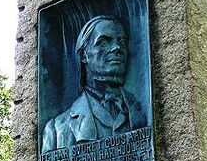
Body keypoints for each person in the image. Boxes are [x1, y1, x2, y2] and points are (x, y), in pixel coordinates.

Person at [41, 15, 147, 153]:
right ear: (84, 55)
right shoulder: (56, 130)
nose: (117, 48)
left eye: (122, 41)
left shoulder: (143, 111)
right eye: (103, 42)